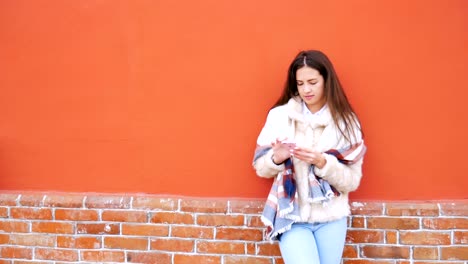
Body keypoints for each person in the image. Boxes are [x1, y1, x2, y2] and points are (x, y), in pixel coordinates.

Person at [252, 50, 366, 264]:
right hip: (292, 215)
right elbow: (260, 166)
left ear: (326, 80)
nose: (306, 89)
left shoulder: (345, 121)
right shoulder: (280, 116)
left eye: (313, 82)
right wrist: (276, 158)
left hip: (331, 217)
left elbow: (352, 181)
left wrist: (323, 163)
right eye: (300, 83)